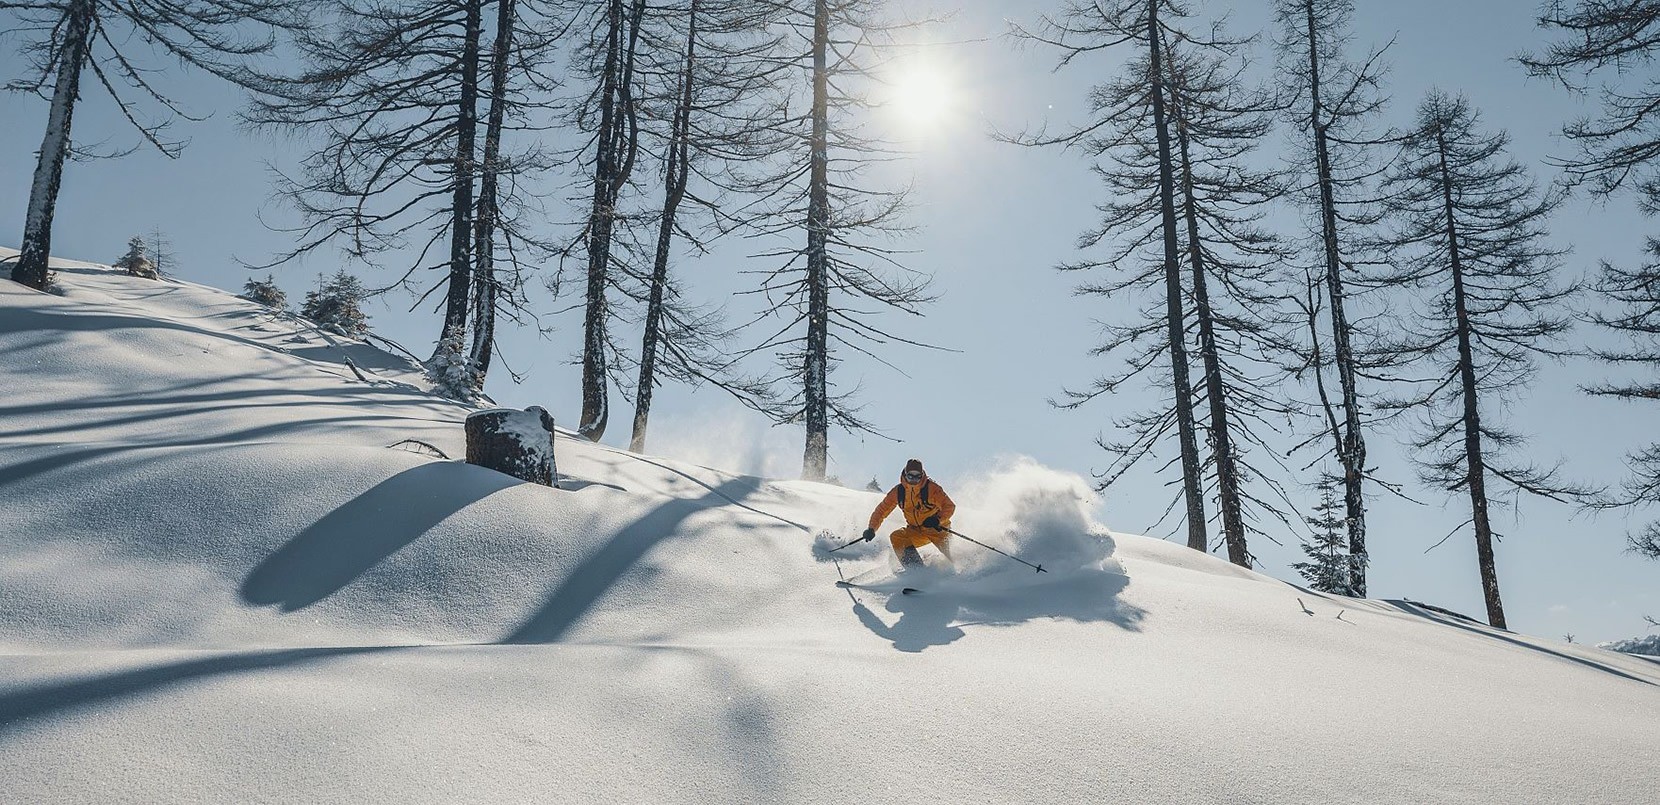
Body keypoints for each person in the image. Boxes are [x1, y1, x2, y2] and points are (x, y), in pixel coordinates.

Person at [862, 458, 956, 568]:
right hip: (916, 530)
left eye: (917, 477)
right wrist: (871, 528)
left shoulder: (931, 488)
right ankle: (916, 570)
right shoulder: (898, 492)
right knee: (897, 537)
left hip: (937, 529)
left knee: (953, 558)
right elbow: (881, 510)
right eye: (910, 476)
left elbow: (949, 506)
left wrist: (937, 519)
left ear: (922, 475)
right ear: (905, 474)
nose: (914, 480)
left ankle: (966, 576)